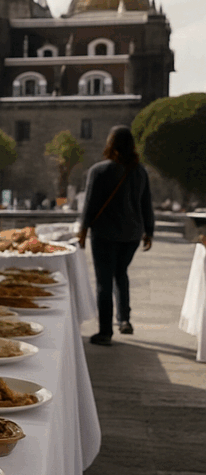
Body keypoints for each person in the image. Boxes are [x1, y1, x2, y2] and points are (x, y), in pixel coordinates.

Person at [78, 125, 154, 346]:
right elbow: (146, 203)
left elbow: (89, 204)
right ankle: (124, 320)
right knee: (121, 273)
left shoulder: (99, 170)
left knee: (104, 282)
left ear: (110, 144)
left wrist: (82, 231)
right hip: (131, 234)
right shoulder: (140, 171)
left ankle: (104, 332)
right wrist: (149, 231)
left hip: (105, 234)